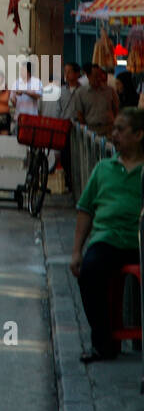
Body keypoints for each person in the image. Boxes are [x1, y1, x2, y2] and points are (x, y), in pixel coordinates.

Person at [70, 108, 144, 362]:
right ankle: (103, 343)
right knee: (89, 273)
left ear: (139, 135)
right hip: (107, 239)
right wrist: (77, 251)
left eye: (120, 130)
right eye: (113, 129)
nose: (114, 135)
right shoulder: (104, 168)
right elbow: (85, 209)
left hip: (138, 239)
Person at [66, 64, 119, 139]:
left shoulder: (110, 91)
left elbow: (116, 109)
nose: (99, 79)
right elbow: (80, 114)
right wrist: (86, 131)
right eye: (96, 76)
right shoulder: (81, 92)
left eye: (100, 76)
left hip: (108, 129)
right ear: (88, 76)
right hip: (91, 130)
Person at [10, 57, 42, 121]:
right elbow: (13, 101)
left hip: (32, 116)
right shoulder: (16, 83)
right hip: (19, 116)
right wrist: (13, 100)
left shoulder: (36, 82)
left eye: (23, 70)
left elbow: (38, 96)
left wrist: (24, 92)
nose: (21, 71)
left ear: (29, 71)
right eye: (21, 69)